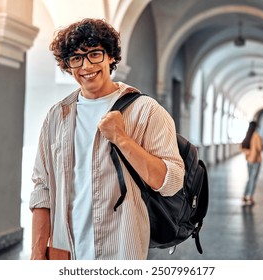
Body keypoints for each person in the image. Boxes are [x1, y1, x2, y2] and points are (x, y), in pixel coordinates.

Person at [29, 18, 185, 260]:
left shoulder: (146, 111)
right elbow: (43, 188)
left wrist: (122, 138)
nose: (86, 66)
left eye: (94, 54)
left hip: (121, 250)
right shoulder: (57, 116)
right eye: (76, 58)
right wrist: (38, 255)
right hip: (65, 251)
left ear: (110, 56)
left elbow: (172, 181)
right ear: (68, 65)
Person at [240, 121, 263, 206]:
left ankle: (245, 195)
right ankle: (250, 196)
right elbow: (259, 148)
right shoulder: (257, 136)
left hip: (248, 160)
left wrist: (248, 152)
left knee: (250, 178)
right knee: (253, 179)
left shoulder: (247, 135)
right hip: (256, 160)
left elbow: (242, 147)